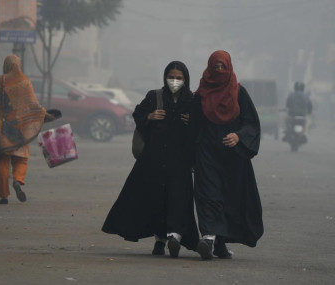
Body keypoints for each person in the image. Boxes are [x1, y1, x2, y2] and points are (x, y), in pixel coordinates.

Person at [102, 61, 199, 258]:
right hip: (154, 159)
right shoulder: (155, 96)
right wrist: (150, 116)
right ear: (165, 77)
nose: (174, 81)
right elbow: (137, 114)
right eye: (171, 77)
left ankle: (174, 236)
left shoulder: (192, 100)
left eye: (179, 78)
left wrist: (193, 122)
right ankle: (159, 240)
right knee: (155, 200)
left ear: (185, 79)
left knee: (178, 200)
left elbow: (200, 127)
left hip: (179, 161)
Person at [189, 50, 264, 260]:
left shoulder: (239, 93)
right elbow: (192, 127)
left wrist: (239, 136)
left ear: (229, 67)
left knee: (230, 198)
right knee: (208, 194)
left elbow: (251, 122)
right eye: (216, 67)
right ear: (209, 68)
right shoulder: (200, 95)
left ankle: (219, 245)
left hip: (233, 157)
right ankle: (209, 237)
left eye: (223, 67)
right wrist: (190, 158)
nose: (219, 71)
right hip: (206, 153)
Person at [0, 55, 56, 205]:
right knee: (21, 158)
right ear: (18, 65)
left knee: (1, 161)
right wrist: (46, 115)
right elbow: (33, 104)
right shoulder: (24, 82)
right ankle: (18, 181)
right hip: (19, 128)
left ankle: (4, 196)